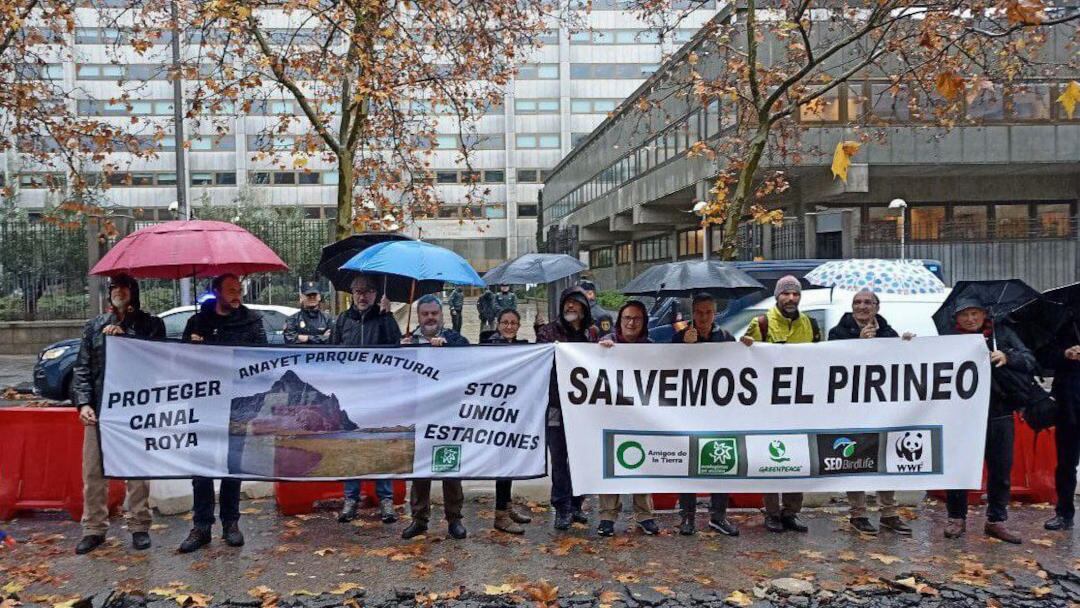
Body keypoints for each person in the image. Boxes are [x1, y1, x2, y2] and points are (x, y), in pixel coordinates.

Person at [72, 274, 165, 554]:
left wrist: (128, 339)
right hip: (100, 411)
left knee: (137, 471)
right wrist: (83, 403)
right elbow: (82, 368)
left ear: (134, 292)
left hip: (135, 409)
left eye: (124, 287)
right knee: (93, 472)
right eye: (114, 287)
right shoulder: (95, 327)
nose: (118, 291)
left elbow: (158, 362)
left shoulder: (151, 325)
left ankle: (139, 526)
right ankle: (94, 529)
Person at [179, 273, 266, 553]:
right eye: (230, 290)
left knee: (233, 465)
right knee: (201, 466)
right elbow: (183, 364)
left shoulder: (251, 322)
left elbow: (263, 361)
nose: (236, 295)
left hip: (239, 405)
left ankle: (231, 523)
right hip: (204, 404)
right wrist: (192, 348)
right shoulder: (197, 322)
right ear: (216, 292)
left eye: (239, 289)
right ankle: (202, 526)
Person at [944, 298, 1035, 544]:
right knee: (958, 468)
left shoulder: (1001, 334)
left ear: (984, 314)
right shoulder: (947, 339)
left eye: (975, 313)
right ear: (956, 319)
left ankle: (996, 520)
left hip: (999, 411)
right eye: (964, 315)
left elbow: (1029, 360)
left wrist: (1007, 356)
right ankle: (956, 517)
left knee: (1000, 469)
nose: (970, 319)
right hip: (961, 415)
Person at [827, 288, 914, 536]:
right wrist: (860, 344)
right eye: (857, 302)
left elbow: (900, 361)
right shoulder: (838, 332)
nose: (862, 306)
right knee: (854, 458)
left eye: (867, 302)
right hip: (851, 408)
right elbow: (831, 362)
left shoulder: (888, 331)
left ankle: (889, 512)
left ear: (877, 306)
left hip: (881, 407)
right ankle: (859, 513)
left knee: (885, 457)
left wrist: (907, 345)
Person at [741, 275, 820, 533]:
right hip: (769, 405)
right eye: (786, 294)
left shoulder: (811, 324)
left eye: (796, 294)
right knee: (771, 457)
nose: (791, 298)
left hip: (800, 405)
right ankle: (772, 511)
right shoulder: (761, 323)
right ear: (777, 296)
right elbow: (744, 357)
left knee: (799, 457)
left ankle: (791, 511)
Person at [332, 274, 403, 526]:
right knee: (352, 444)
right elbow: (330, 354)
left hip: (379, 395)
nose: (363, 296)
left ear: (377, 294)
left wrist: (388, 315)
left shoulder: (384, 319)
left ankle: (385, 498)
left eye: (368, 291)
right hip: (350, 395)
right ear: (351, 293)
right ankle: (351, 498)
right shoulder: (342, 320)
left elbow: (396, 345)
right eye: (358, 291)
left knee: (379, 443)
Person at [672, 293, 740, 537]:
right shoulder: (679, 338)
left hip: (717, 412)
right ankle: (687, 516)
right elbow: (666, 368)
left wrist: (750, 346)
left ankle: (718, 516)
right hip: (688, 412)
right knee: (688, 463)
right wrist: (684, 347)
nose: (703, 317)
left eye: (708, 312)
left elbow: (741, 363)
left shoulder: (725, 337)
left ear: (715, 313)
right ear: (692, 313)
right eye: (699, 312)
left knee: (720, 461)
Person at [401, 295, 469, 539]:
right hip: (418, 413)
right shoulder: (407, 341)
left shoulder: (455, 339)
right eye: (425, 314)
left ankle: (454, 519)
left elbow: (470, 364)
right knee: (420, 469)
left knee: (449, 465)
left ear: (442, 315)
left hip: (447, 414)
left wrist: (447, 350)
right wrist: (403, 351)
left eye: (434, 313)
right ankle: (419, 519)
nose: (430, 318)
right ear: (418, 316)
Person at [536, 286, 600, 530]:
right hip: (556, 406)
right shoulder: (548, 332)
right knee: (560, 458)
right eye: (567, 303)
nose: (571, 307)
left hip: (584, 409)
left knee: (581, 457)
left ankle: (576, 505)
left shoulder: (592, 334)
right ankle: (561, 507)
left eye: (576, 303)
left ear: (584, 308)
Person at [597, 301, 660, 536]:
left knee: (641, 462)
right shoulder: (606, 343)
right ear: (619, 320)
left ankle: (645, 515)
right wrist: (600, 352)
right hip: (611, 414)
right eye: (627, 318)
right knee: (609, 464)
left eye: (637, 319)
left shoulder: (651, 347)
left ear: (644, 322)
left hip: (640, 415)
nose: (631, 323)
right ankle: (607, 516)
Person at [484, 308, 535, 534]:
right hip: (497, 413)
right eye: (504, 322)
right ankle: (500, 515)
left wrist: (540, 329)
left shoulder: (522, 346)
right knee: (502, 465)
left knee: (510, 464)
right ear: (498, 324)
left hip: (516, 411)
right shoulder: (489, 345)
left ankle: (506, 506)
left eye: (513, 323)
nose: (508, 326)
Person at [1046, 326, 1080, 532]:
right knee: (1066, 463)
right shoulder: (1064, 325)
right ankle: (1064, 513)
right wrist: (1065, 354)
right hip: (1068, 406)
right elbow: (1041, 358)